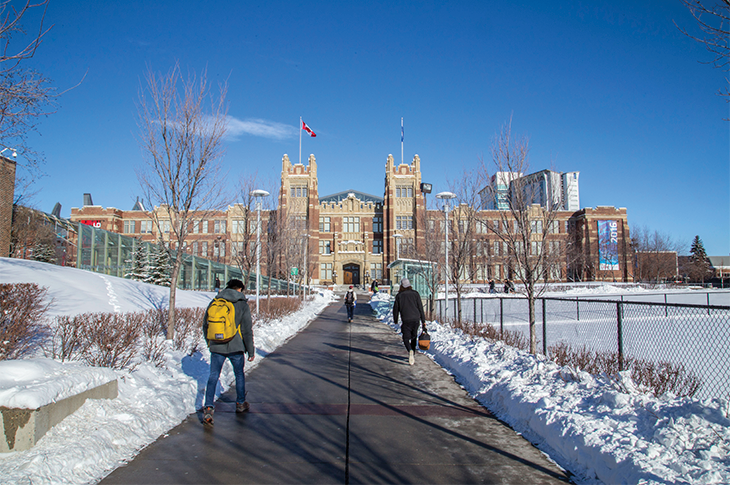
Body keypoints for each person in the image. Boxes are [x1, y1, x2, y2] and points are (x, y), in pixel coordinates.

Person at [202, 278, 254, 425]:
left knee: (213, 376)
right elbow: (246, 330)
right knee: (239, 374)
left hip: (217, 346)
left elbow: (205, 325)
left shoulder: (215, 301)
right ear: (240, 289)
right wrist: (250, 351)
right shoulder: (242, 304)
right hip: (236, 346)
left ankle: (208, 408)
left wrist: (210, 342)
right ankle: (240, 404)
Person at [392, 277, 426, 366]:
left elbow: (395, 309)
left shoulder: (399, 296)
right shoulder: (415, 294)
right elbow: (420, 308)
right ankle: (413, 353)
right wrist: (423, 320)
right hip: (416, 318)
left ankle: (410, 350)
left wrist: (395, 320)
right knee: (414, 336)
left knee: (406, 338)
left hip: (406, 319)